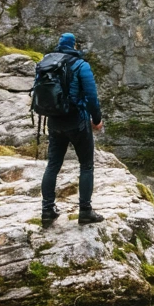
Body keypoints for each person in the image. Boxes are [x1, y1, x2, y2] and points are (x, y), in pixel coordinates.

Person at [39, 32, 106, 228]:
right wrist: (97, 119)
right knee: (86, 165)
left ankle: (47, 211)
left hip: (54, 121)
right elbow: (92, 96)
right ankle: (85, 211)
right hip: (77, 121)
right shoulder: (81, 65)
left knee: (53, 165)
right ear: (74, 45)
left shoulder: (46, 63)